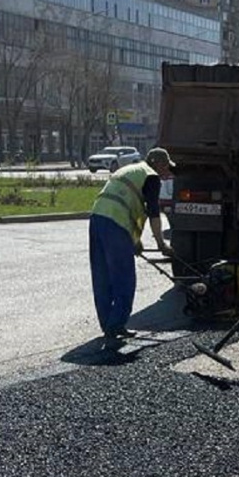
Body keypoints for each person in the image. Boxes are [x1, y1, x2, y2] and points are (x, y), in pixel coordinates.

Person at [89, 146, 175, 348]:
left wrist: (135, 242)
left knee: (103, 275)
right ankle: (116, 324)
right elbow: (154, 213)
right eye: (166, 168)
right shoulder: (151, 176)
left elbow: (132, 211)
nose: (166, 174)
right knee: (124, 277)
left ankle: (108, 325)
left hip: (97, 218)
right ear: (159, 164)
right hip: (115, 224)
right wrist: (162, 245)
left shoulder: (131, 170)